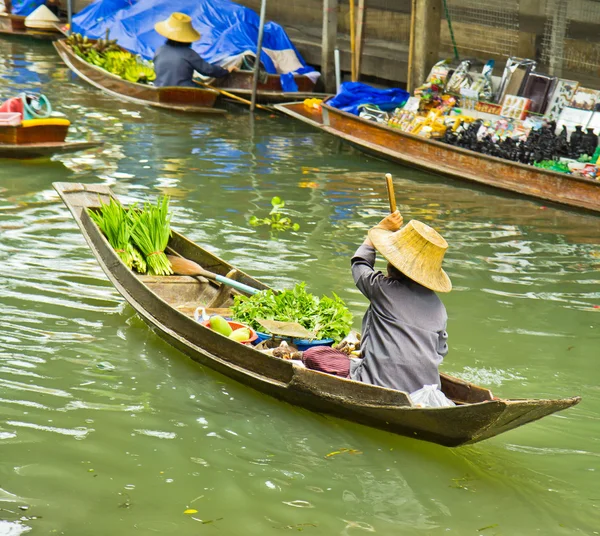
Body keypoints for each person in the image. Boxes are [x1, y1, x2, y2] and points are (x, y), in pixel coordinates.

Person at [349, 211, 451, 393]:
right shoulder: (439, 309)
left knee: (316, 356)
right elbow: (440, 351)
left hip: (377, 384)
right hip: (425, 389)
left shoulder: (382, 289)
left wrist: (377, 231)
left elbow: (359, 264)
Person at [153, 12, 234, 88]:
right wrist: (225, 71)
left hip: (160, 87)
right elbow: (208, 70)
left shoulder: (159, 50)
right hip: (182, 90)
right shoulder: (188, 53)